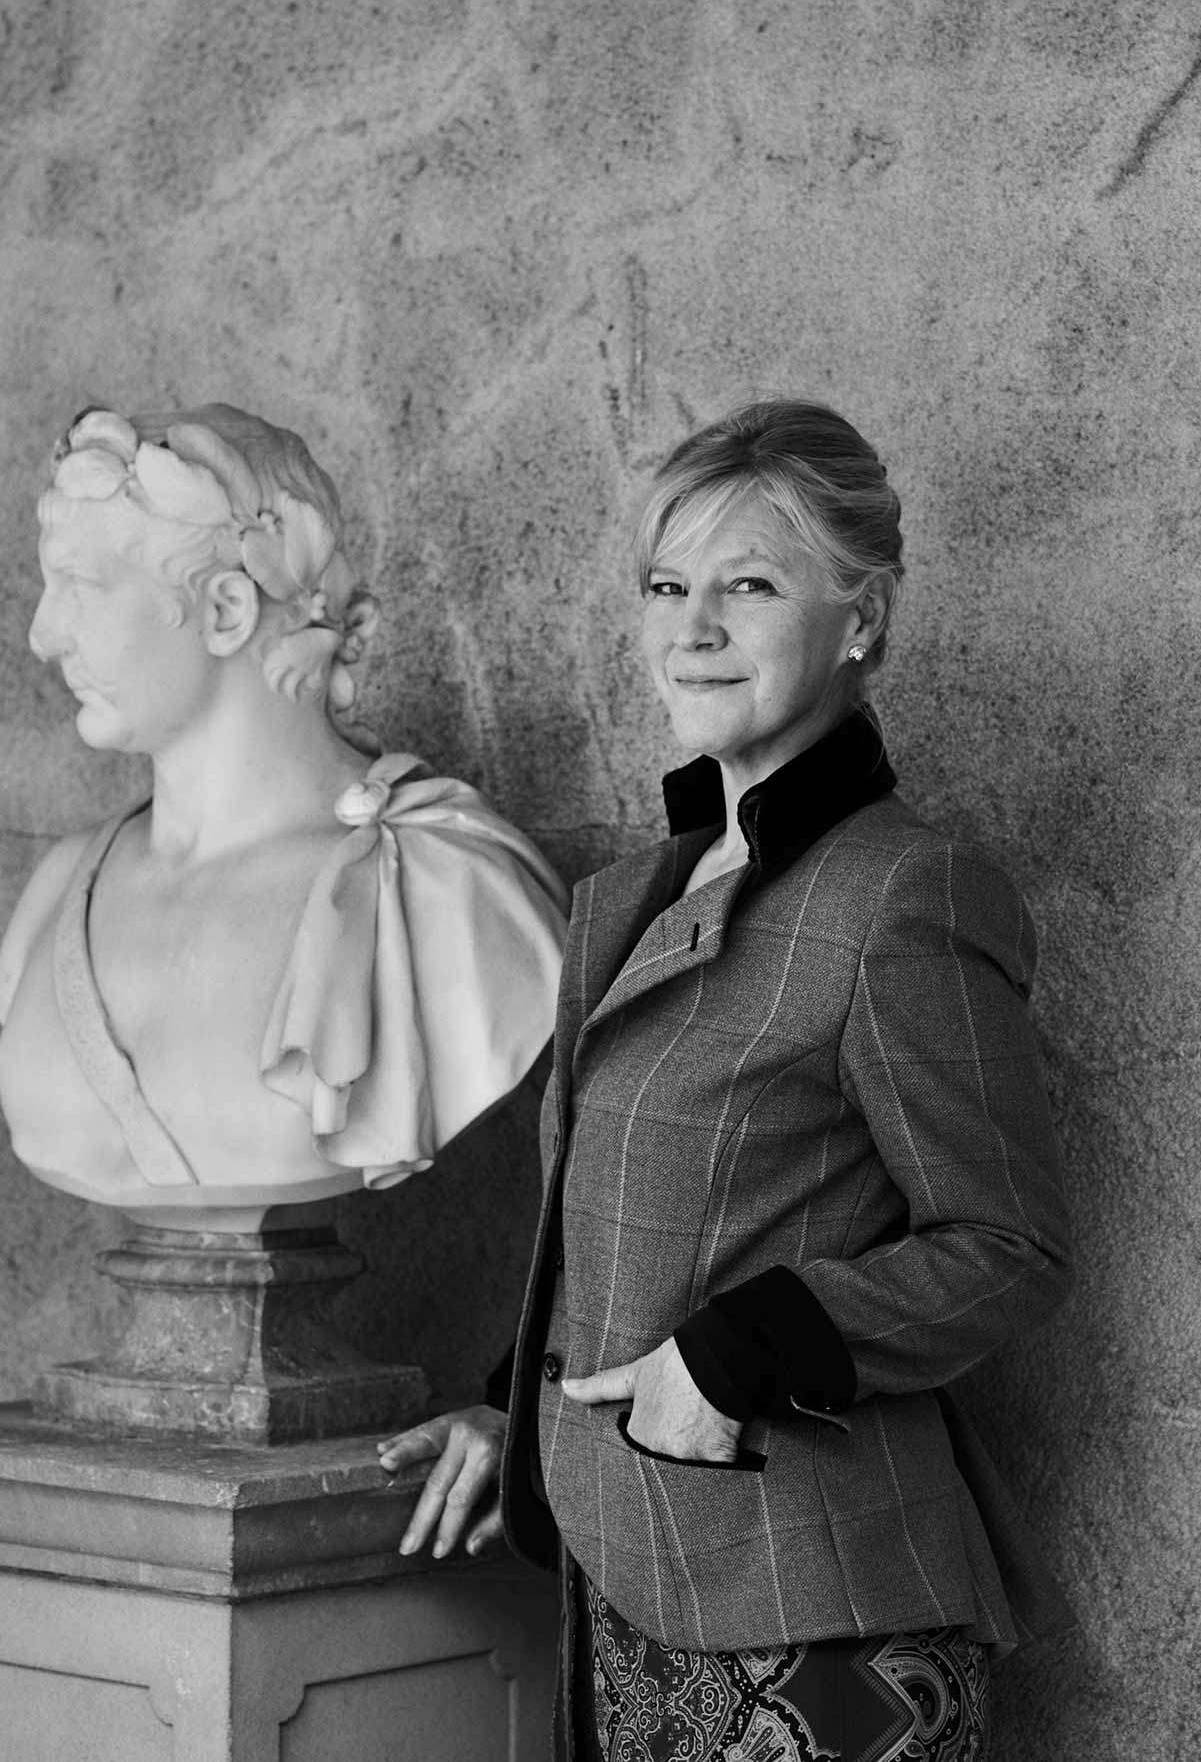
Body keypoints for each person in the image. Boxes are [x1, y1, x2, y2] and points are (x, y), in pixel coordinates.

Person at [378, 400, 1073, 1761]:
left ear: (860, 618)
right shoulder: (626, 893)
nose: (691, 627)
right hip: (622, 1594)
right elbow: (622, 1212)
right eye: (665, 586)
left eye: (747, 585)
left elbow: (1009, 1246)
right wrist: (513, 1403)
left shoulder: (905, 895)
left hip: (821, 1620)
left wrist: (738, 1352)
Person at [0, 403, 568, 1219]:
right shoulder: (58, 890)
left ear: (227, 610)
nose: (42, 634)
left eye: (80, 586)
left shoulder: (450, 889)